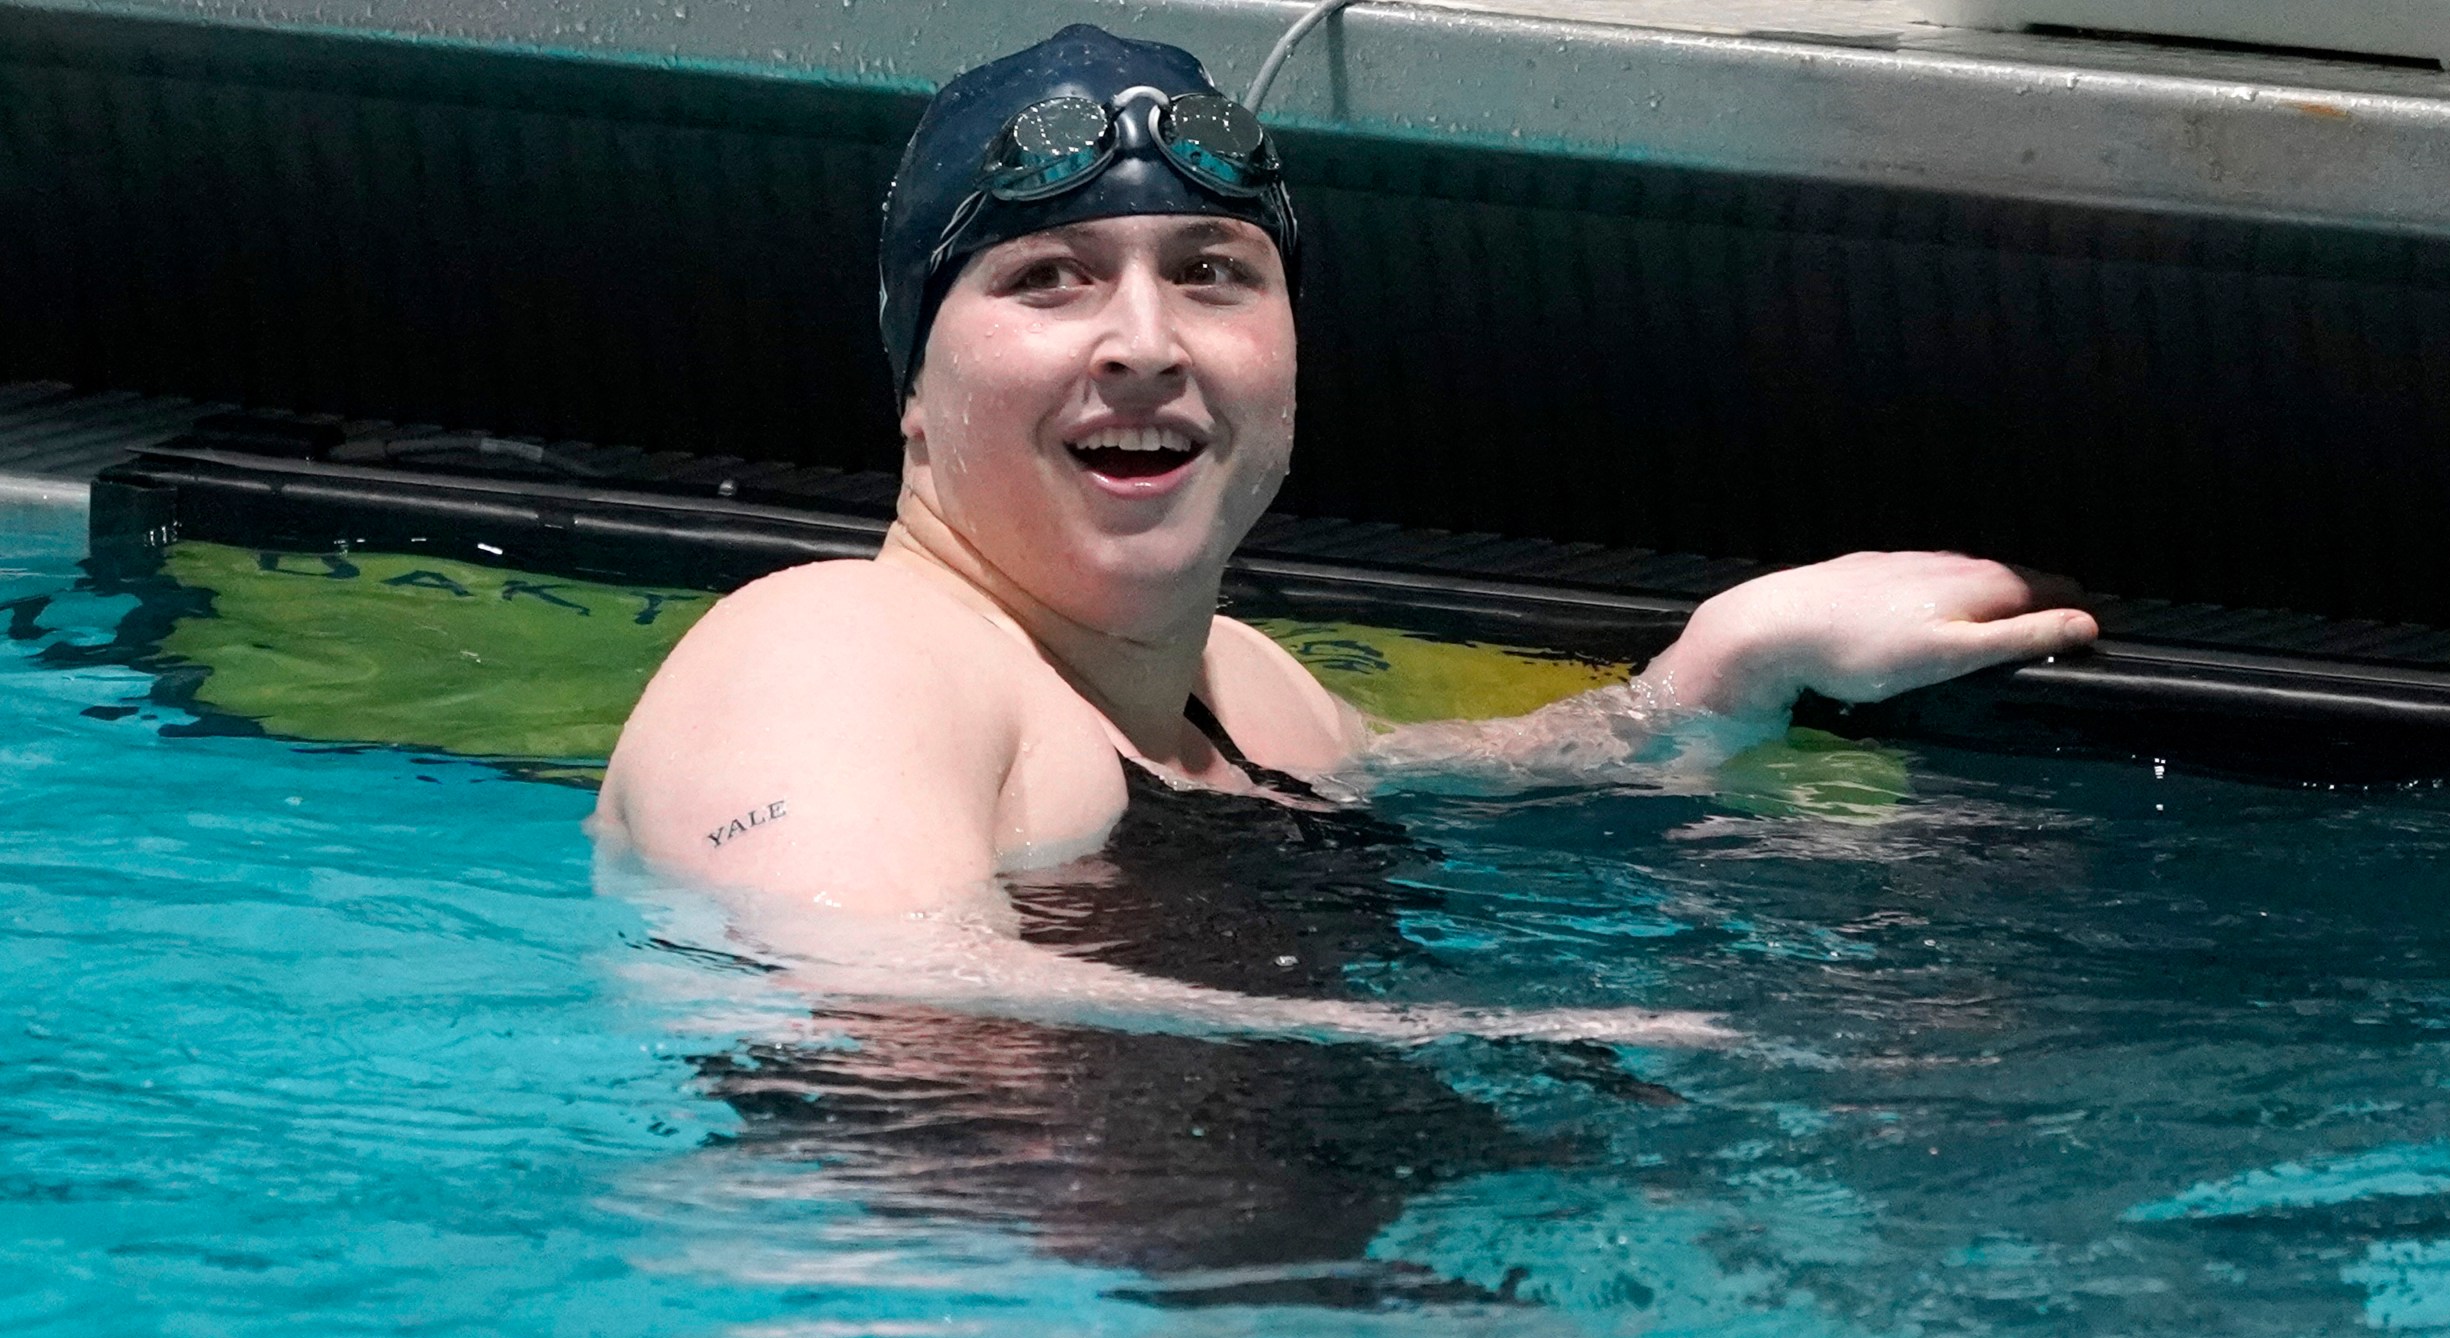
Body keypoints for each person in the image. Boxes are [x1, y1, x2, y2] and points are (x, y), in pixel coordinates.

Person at [593, 24, 2096, 1042]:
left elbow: (1466, 777)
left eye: (1213, 273)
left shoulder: (1249, 691)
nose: (1143, 342)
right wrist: (1474, 1031)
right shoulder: (838, 649)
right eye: (1047, 278)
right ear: (913, 391)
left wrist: (1717, 673)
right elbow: (884, 1000)